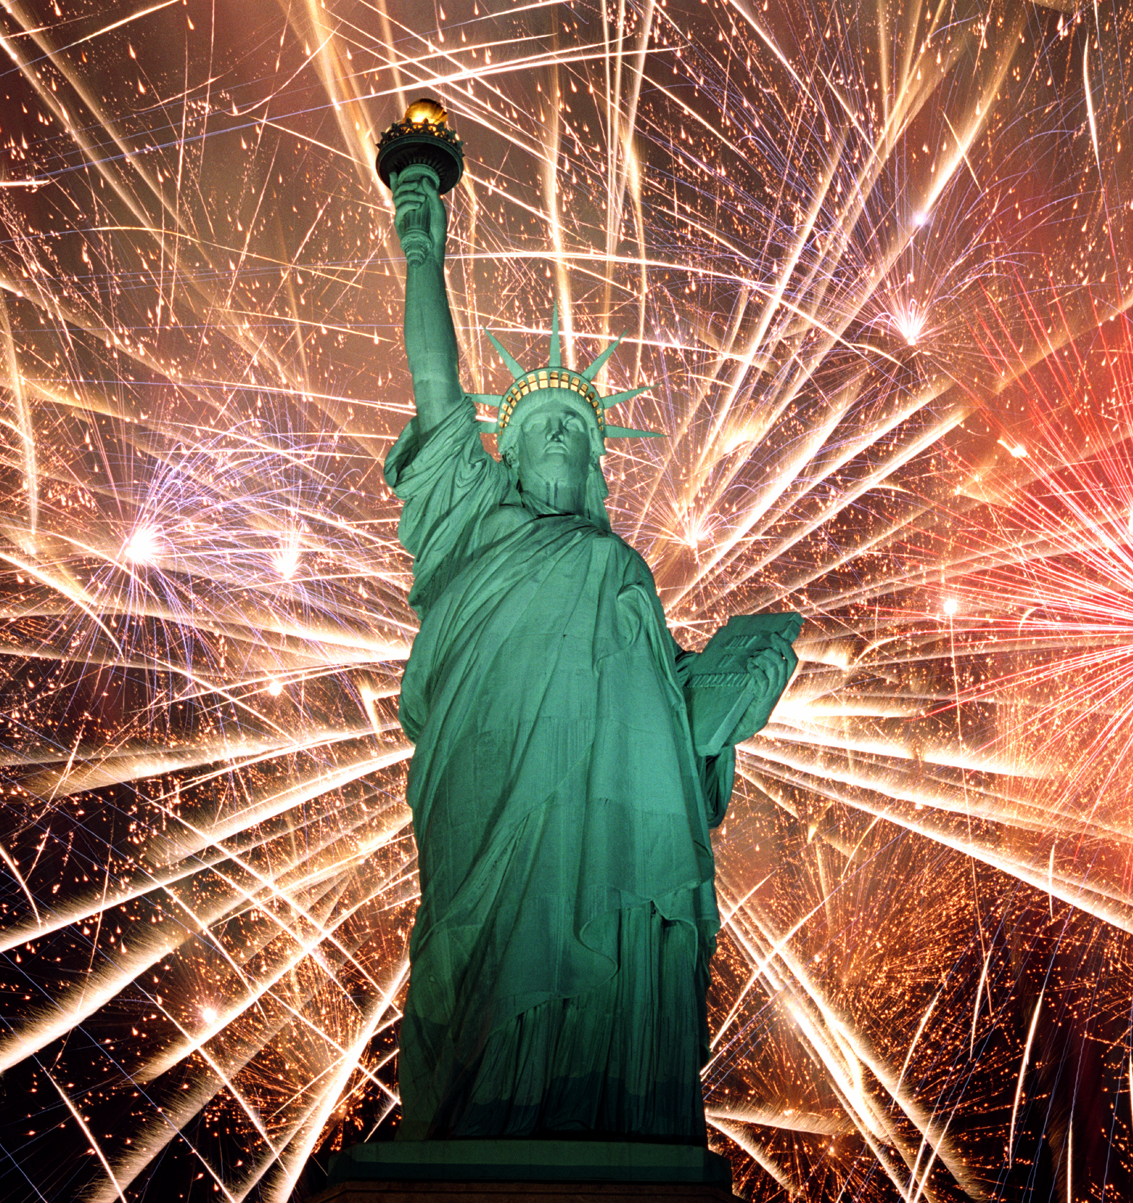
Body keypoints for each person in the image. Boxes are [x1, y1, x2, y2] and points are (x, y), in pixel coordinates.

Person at [384, 160, 795, 1144]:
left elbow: (663, 706)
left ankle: (603, 1106)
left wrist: (734, 681)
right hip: (489, 798)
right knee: (477, 964)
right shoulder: (472, 521)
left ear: (599, 462)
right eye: (540, 425)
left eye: (577, 424)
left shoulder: (621, 568)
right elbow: (439, 392)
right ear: (508, 453)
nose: (561, 434)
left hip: (612, 814)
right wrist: (423, 254)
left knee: (611, 952)